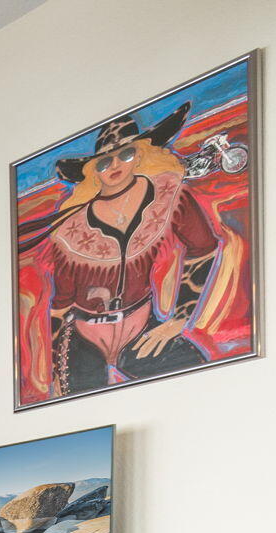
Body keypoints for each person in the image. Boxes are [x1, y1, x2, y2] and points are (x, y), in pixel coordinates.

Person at [29, 103, 231, 397]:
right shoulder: (72, 226)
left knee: (200, 381)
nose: (114, 166)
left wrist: (179, 318)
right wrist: (56, 366)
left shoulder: (169, 196)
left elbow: (204, 248)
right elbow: (61, 303)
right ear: (92, 171)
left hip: (141, 325)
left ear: (139, 155)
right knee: (78, 412)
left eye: (125, 154)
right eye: (103, 162)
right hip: (84, 336)